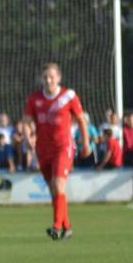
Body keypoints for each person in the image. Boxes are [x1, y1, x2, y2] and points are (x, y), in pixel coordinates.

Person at [22, 62, 92, 240]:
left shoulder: (68, 96)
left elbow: (81, 120)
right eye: (45, 77)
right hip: (43, 149)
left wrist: (86, 144)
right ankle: (67, 226)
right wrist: (27, 136)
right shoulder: (34, 98)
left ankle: (55, 226)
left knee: (59, 183)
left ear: (58, 78)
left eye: (51, 77)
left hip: (63, 147)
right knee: (54, 189)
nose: (48, 80)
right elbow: (27, 121)